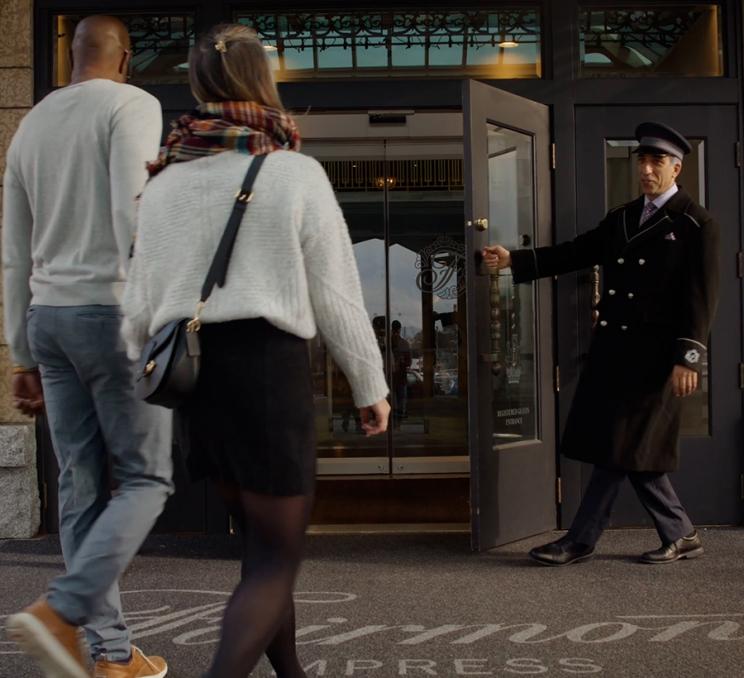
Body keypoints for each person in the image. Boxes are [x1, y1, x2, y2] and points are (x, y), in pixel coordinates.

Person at [120, 23, 390, 678]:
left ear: (196, 86)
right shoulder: (294, 172)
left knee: (263, 549)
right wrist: (369, 384)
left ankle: (290, 673)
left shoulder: (162, 182)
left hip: (196, 377)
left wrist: (135, 371)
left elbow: (139, 304)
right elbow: (336, 293)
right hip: (268, 371)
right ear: (263, 83)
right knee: (276, 558)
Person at [3, 15, 173, 678]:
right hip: (112, 311)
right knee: (146, 476)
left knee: (80, 483)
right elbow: (135, 209)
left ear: (72, 59)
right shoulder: (134, 105)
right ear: (125, 58)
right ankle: (64, 613)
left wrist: (21, 351)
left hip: (50, 317)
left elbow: (14, 252)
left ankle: (109, 653)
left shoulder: (31, 125)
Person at [484, 122, 719, 567]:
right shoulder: (624, 217)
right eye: (642, 161)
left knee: (619, 446)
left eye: (657, 163)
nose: (647, 170)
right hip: (615, 351)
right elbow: (577, 252)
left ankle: (580, 539)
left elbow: (702, 298)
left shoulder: (696, 224)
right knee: (625, 446)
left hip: (656, 358)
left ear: (677, 167)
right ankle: (680, 532)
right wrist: (516, 259)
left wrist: (689, 358)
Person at [390, 320, 412, 423]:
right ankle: (398, 421)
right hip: (399, 378)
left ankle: (396, 420)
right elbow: (409, 362)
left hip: (392, 378)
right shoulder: (404, 343)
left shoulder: (388, 343)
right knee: (400, 400)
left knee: (395, 400)